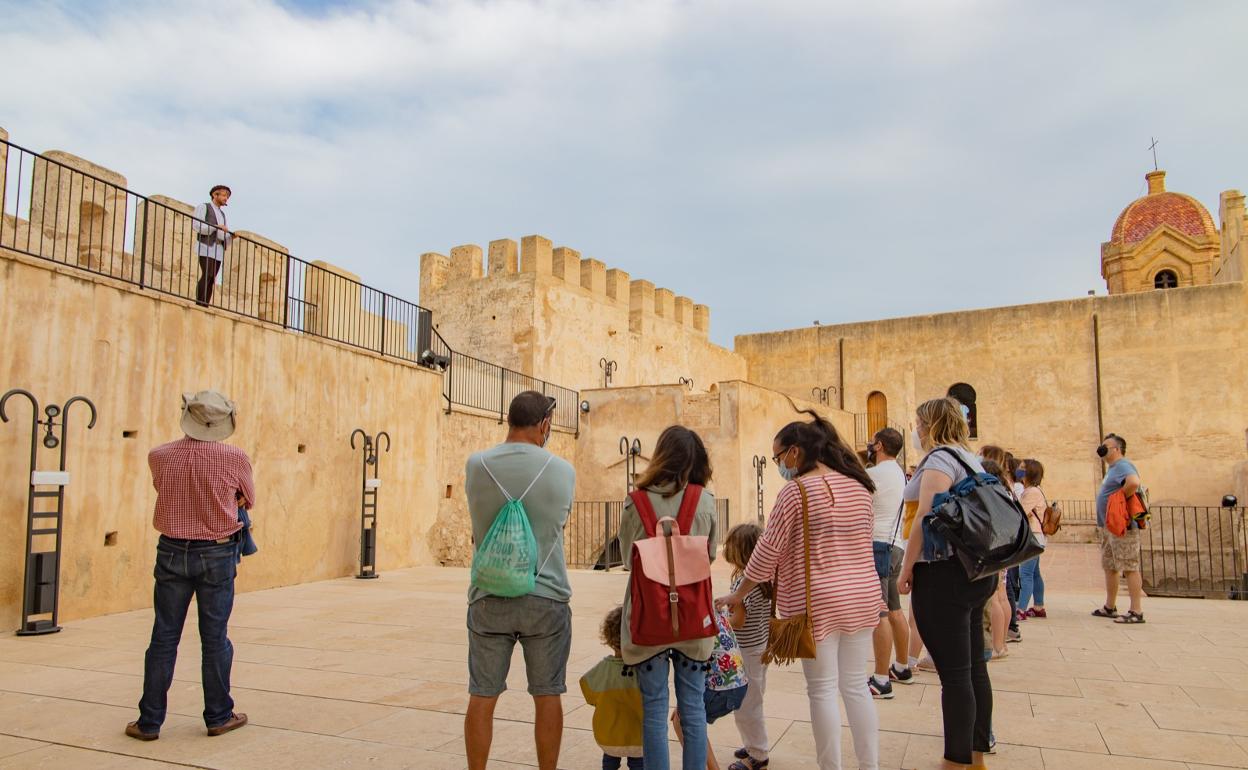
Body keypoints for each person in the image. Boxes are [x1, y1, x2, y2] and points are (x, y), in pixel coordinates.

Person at [720, 410, 882, 770]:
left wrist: (739, 592)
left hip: (820, 603)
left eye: (778, 457)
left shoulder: (796, 492)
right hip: (863, 597)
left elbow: (766, 552)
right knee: (855, 686)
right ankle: (870, 766)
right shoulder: (859, 486)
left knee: (822, 690)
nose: (778, 464)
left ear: (795, 452)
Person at [126, 390, 254, 741]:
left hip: (170, 550)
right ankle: (218, 715)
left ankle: (149, 721)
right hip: (216, 552)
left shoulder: (159, 455)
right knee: (215, 639)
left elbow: (161, 489)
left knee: (163, 637)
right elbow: (248, 498)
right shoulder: (235, 457)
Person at [464, 391, 575, 770]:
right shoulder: (562, 470)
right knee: (547, 696)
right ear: (544, 425)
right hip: (545, 596)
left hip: (488, 595)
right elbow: (559, 524)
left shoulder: (476, 465)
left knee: (482, 696)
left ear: (509, 421)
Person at [897, 397, 996, 769]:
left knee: (955, 675)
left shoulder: (940, 459)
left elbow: (926, 513)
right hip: (972, 572)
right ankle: (976, 751)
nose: (915, 430)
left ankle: (957, 761)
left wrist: (906, 569)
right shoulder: (969, 458)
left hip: (943, 572)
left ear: (931, 425)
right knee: (973, 667)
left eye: (918, 423)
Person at [619, 425, 719, 770]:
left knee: (654, 711)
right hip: (693, 620)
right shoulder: (703, 500)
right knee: (693, 709)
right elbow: (709, 555)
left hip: (648, 620)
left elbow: (625, 557)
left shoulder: (636, 502)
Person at [866, 428, 911, 699]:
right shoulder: (900, 474)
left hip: (878, 545)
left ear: (879, 445)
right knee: (894, 608)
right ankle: (902, 666)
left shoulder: (873, 475)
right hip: (896, 546)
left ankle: (881, 679)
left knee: (878, 613)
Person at [723, 524, 771, 770]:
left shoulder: (743, 585)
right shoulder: (764, 579)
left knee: (746, 705)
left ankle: (758, 755)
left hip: (746, 652)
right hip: (760, 648)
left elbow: (738, 622)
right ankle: (753, 743)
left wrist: (721, 619)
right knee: (755, 699)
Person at [580, 606, 644, 770]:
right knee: (638, 764)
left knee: (609, 761)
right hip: (639, 739)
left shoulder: (602, 670)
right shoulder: (644, 671)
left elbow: (586, 687)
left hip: (608, 738)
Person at [1092, 433, 1145, 624]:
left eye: (1106, 446)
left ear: (1117, 449)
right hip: (1109, 527)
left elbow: (1134, 482)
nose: (1102, 448)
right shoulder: (1113, 469)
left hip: (1122, 525)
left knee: (1129, 566)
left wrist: (1118, 498)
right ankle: (1109, 606)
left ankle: (1136, 611)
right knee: (1110, 566)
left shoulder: (1123, 466)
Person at [1015, 460, 1048, 620]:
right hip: (1038, 537)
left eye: (1022, 468)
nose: (1018, 470)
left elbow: (1019, 513)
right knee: (1035, 573)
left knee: (1026, 573)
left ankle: (1020, 609)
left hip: (1032, 537)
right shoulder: (1034, 490)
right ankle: (1038, 606)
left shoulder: (1031, 492)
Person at [192, 185, 233, 306]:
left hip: (218, 249)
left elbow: (221, 235)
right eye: (224, 195)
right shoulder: (204, 207)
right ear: (215, 195)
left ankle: (205, 304)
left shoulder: (222, 215)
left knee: (212, 278)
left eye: (227, 196)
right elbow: (197, 225)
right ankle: (200, 302)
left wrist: (231, 237)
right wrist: (215, 227)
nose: (226, 199)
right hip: (206, 246)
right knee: (207, 274)